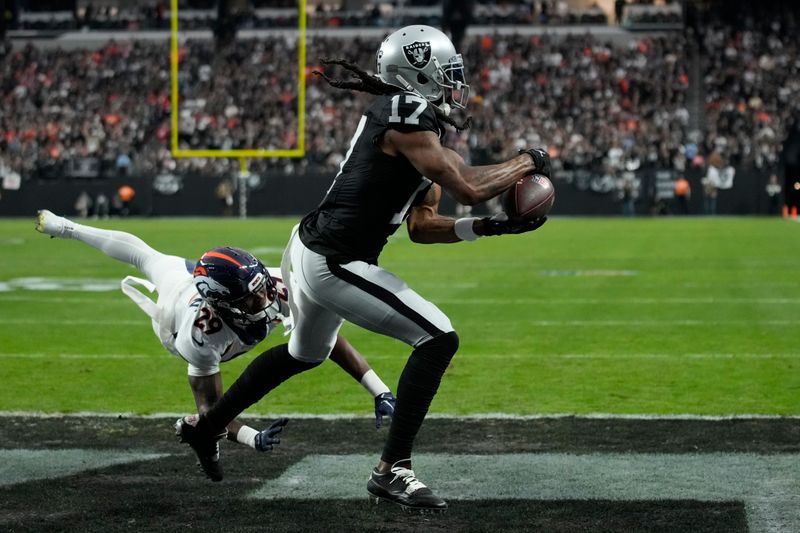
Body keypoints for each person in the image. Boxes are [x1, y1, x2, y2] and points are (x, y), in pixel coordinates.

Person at [175, 25, 550, 511]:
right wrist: (529, 160)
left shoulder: (419, 126)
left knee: (304, 353)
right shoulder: (406, 113)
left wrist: (489, 228)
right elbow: (469, 186)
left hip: (312, 249)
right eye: (448, 74)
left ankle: (206, 429)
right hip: (333, 259)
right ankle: (393, 469)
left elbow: (423, 225)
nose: (457, 85)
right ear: (419, 74)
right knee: (439, 338)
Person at [34, 209, 397, 481]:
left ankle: (63, 225)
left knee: (146, 255)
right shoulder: (201, 335)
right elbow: (213, 408)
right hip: (174, 315)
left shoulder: (270, 284)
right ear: (228, 306)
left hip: (202, 288)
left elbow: (326, 340)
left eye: (262, 287)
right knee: (208, 429)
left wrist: (378, 390)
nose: (266, 297)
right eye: (253, 298)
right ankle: (67, 227)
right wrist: (252, 437)